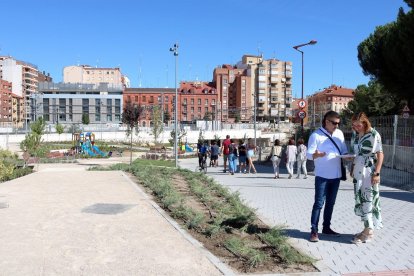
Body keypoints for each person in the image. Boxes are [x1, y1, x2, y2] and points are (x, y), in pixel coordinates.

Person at [306, 110, 348, 242]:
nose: (337, 126)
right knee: (319, 203)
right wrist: (316, 155)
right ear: (326, 121)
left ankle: (327, 228)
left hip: (336, 175)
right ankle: (314, 231)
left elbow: (344, 150)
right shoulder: (316, 135)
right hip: (322, 175)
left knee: (331, 203)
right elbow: (308, 154)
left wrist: (348, 156)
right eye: (334, 123)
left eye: (338, 123)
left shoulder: (339, 134)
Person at [349, 112, 384, 244]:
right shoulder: (356, 135)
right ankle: (366, 228)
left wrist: (377, 173)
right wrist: (352, 167)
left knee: (368, 198)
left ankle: (369, 232)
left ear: (364, 122)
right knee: (361, 199)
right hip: (358, 171)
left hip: (369, 170)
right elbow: (357, 153)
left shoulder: (373, 134)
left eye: (358, 125)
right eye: (353, 125)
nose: (355, 127)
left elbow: (380, 154)